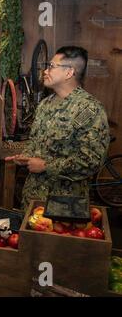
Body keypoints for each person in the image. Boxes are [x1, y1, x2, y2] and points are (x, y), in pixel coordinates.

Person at [6, 46, 110, 210]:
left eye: (51, 66)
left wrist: (46, 166)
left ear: (69, 72)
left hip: (63, 205)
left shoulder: (89, 110)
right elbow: (35, 141)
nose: (45, 71)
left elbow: (92, 161)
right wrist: (26, 156)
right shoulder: (45, 104)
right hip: (32, 199)